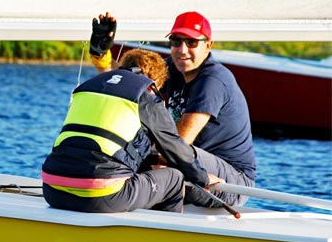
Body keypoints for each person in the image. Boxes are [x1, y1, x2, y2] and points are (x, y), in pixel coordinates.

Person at [89, 11, 256, 207]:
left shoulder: (213, 80)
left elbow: (178, 144)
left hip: (231, 183)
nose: (182, 50)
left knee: (166, 150)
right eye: (176, 41)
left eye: (191, 43)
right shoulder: (173, 69)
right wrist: (100, 55)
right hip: (191, 167)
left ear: (208, 45)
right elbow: (126, 84)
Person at [42, 48, 223, 213]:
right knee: (174, 179)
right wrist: (202, 178)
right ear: (155, 81)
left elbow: (105, 144)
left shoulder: (88, 87)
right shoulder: (145, 95)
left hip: (52, 189)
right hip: (100, 196)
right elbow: (174, 147)